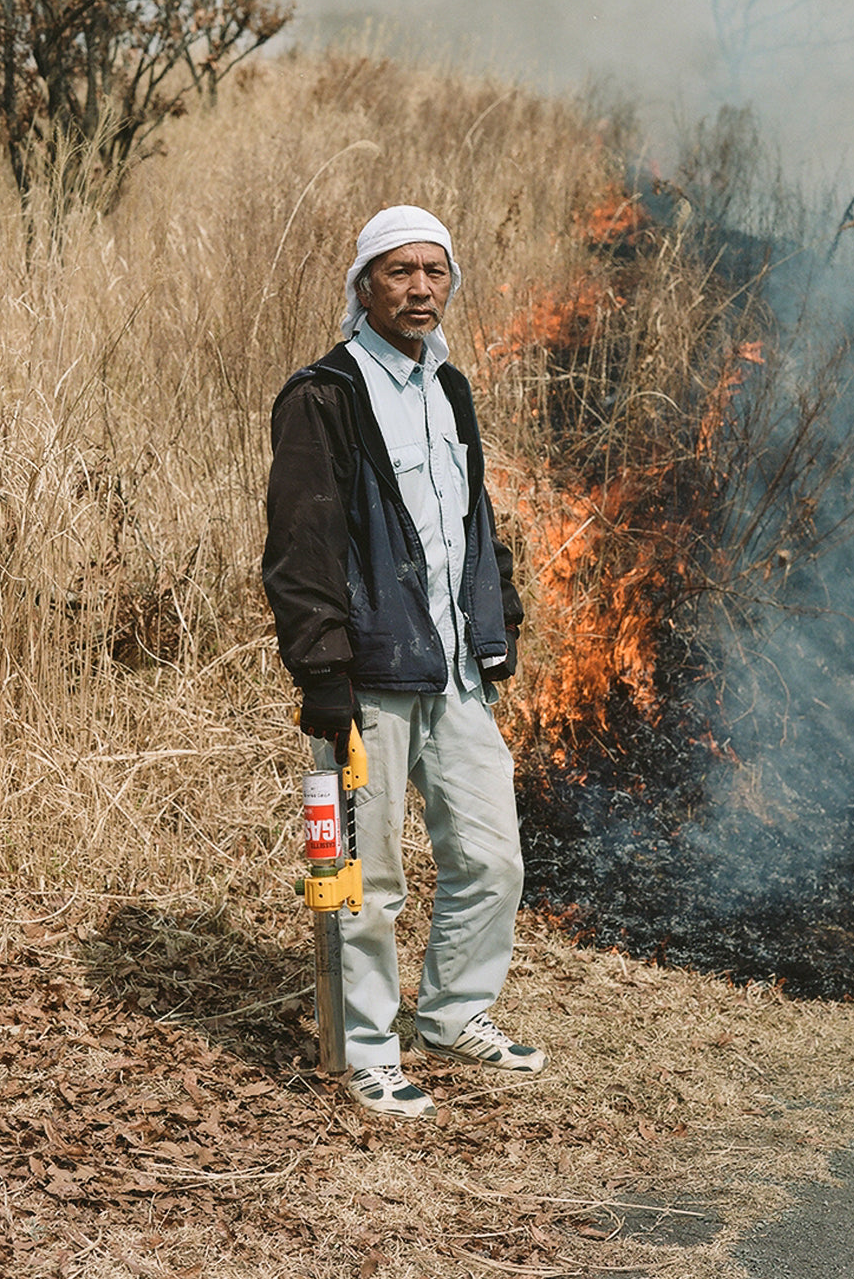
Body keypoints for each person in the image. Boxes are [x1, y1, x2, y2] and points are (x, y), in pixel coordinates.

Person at [262, 204, 546, 1119]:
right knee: (365, 881)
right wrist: (323, 676)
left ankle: (455, 1014)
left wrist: (495, 617)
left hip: (458, 669)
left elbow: (473, 523)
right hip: (371, 677)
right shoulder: (324, 394)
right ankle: (365, 1049)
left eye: (435, 269)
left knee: (492, 857)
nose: (421, 286)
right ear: (363, 285)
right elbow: (300, 547)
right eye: (399, 270)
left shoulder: (447, 384)